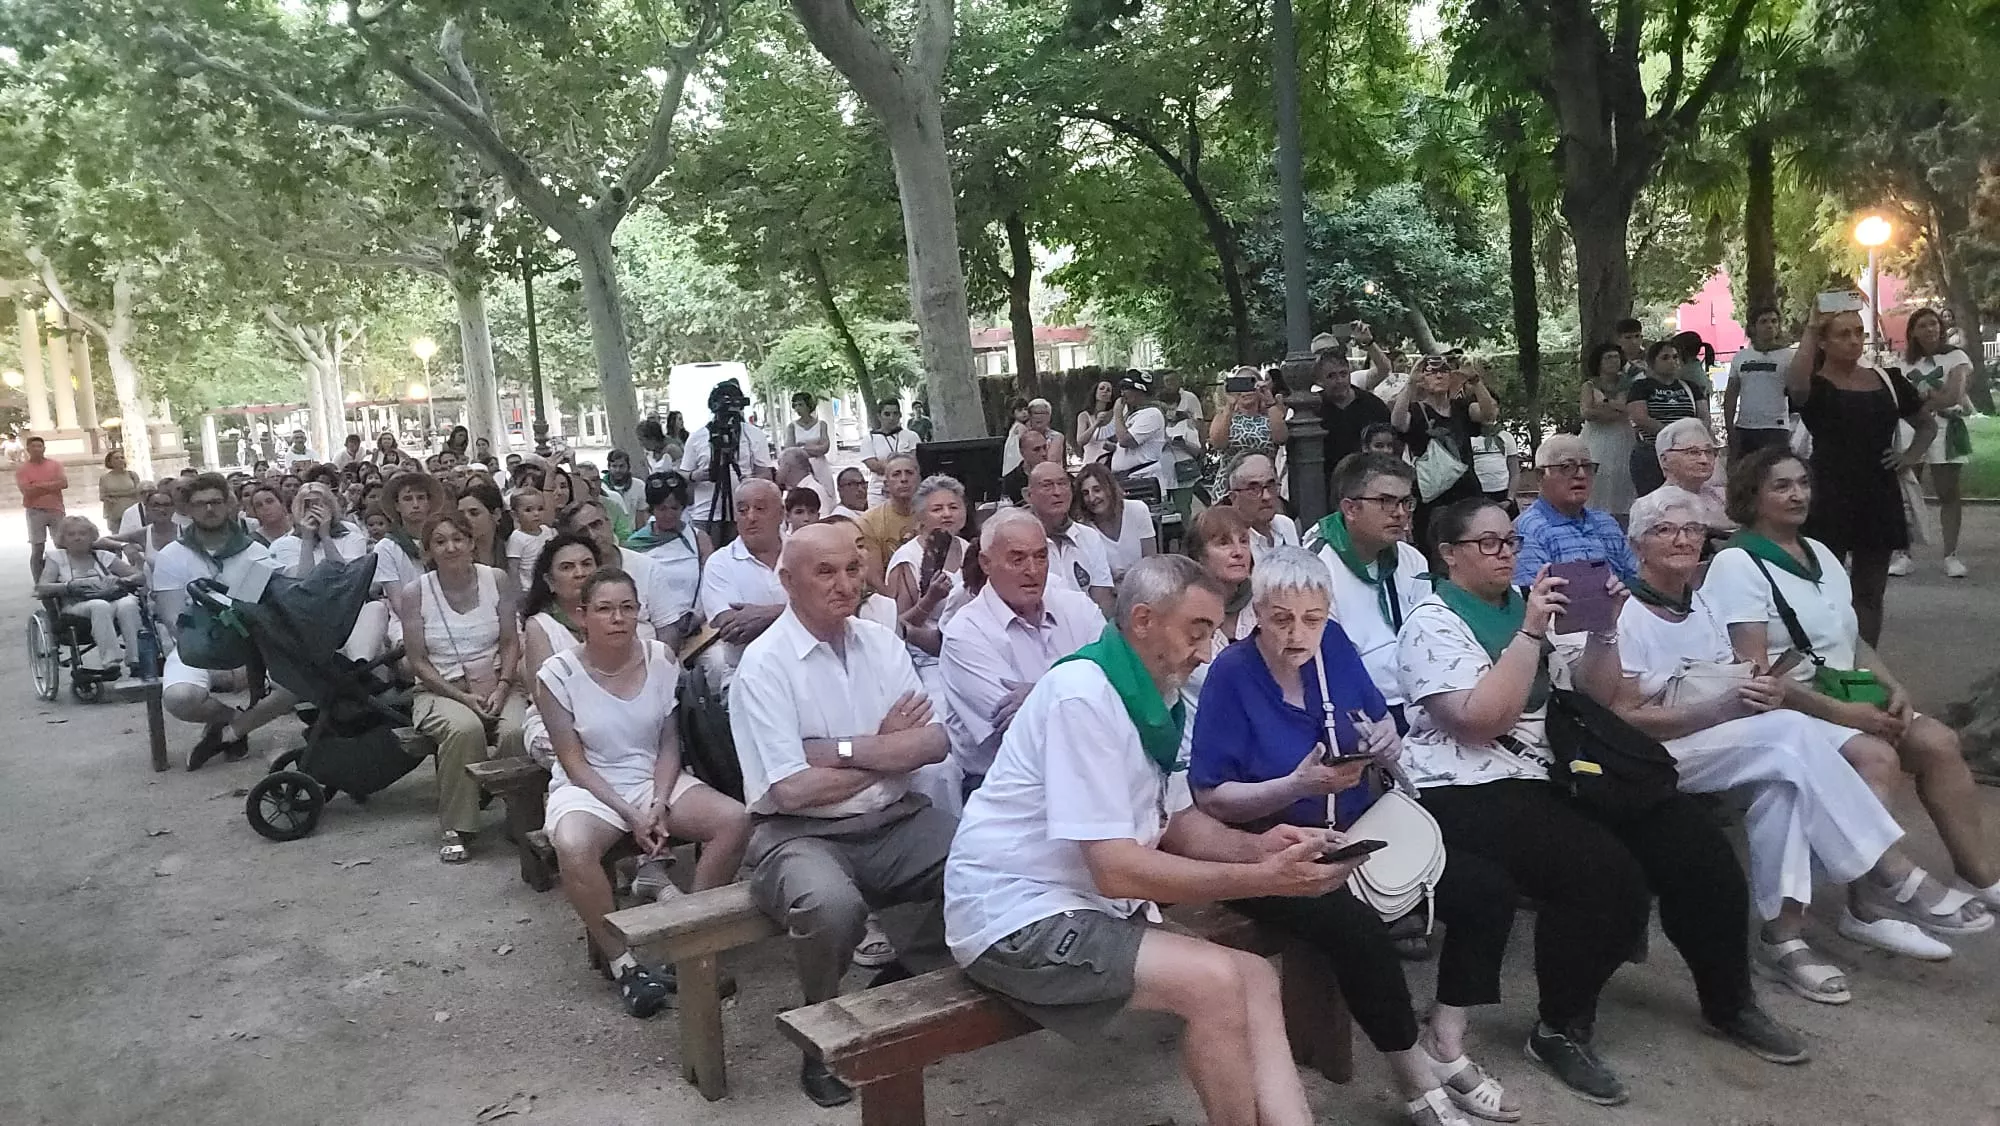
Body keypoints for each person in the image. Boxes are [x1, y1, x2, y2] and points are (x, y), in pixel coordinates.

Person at [1397, 497, 1806, 1106]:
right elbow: (1478, 721)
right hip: (1467, 783)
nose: (1505, 552)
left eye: (1510, 540)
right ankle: (1560, 1026)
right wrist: (1531, 634)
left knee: (1695, 846)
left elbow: (1600, 693)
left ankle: (1730, 1001)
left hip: (1561, 764)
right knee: (1601, 873)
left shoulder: (1530, 603)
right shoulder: (1432, 622)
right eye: (1488, 543)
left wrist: (1606, 627)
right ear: (1449, 554)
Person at [946, 554, 1355, 1126]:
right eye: (1197, 630)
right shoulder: (1083, 695)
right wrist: (1263, 879)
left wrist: (1262, 848)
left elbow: (1176, 821)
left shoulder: (1149, 691)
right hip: (1015, 918)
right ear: (1142, 620)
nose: (1208, 651)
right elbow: (1117, 869)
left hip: (1079, 905)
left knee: (1255, 976)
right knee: (1214, 986)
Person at [1190, 548, 1520, 1126]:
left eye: (1312, 617)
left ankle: (1446, 1037)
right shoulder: (1232, 675)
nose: (1299, 633)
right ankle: (1414, 1077)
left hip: (1359, 826)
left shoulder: (1334, 645)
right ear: (1256, 614)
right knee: (1358, 933)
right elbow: (1211, 797)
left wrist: (1385, 741)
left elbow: (1377, 718)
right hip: (1267, 847)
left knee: (1488, 889)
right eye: (1282, 618)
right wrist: (1293, 784)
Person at [1608, 489, 1957, 994]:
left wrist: (1759, 685)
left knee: (1785, 784)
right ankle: (1890, 867)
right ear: (1638, 545)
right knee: (1791, 734)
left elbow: (1725, 676)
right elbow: (1624, 718)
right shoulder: (1629, 613)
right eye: (1665, 531)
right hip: (1660, 750)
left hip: (1723, 736)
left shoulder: (1700, 602)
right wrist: (1720, 707)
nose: (1682, 539)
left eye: (1692, 529)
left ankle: (1784, 938)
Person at [1706, 447, 2000, 918]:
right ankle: (1863, 907)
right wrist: (1847, 715)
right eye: (1781, 486)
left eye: (1802, 482)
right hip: (1790, 708)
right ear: (1751, 496)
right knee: (1877, 756)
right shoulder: (1737, 563)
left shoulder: (1819, 552)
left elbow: (1851, 638)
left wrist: (1893, 686)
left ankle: (1981, 874)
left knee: (1940, 742)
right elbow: (1755, 673)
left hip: (1849, 693)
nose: (1797, 494)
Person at [729, 522, 957, 1107]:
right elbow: (794, 793)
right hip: (800, 835)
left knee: (985, 864)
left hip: (897, 818)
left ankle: (898, 980)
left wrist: (842, 750)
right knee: (828, 906)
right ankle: (821, 1029)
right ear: (787, 581)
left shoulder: (880, 643)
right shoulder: (764, 665)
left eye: (853, 569)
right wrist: (885, 750)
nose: (844, 584)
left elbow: (933, 744)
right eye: (824, 572)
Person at [539, 567, 751, 1016]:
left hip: (652, 778)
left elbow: (668, 741)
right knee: (572, 844)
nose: (618, 618)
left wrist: (657, 802)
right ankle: (624, 964)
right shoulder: (556, 674)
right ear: (582, 616)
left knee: (734, 820)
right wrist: (631, 814)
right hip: (590, 786)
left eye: (627, 608)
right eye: (605, 609)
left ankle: (688, 936)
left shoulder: (659, 658)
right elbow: (572, 761)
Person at [1785, 307, 1932, 646]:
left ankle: (1866, 666)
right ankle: (1828, 659)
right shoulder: (1817, 385)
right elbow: (1796, 389)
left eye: (1858, 332)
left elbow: (1926, 425)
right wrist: (1810, 330)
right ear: (1824, 341)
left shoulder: (1887, 379)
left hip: (1877, 491)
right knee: (1824, 586)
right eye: (1843, 334)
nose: (1854, 341)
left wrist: (1908, 457)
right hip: (1829, 491)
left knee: (1869, 591)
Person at [940, 509, 1106, 793]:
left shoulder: (1078, 608)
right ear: (986, 563)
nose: (1033, 570)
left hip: (1094, 766)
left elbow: (1126, 683)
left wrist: (1042, 691)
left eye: (1041, 557)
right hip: (1008, 785)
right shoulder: (965, 634)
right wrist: (1091, 692)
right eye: (1017, 559)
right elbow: (1025, 731)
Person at [397, 512, 527, 863]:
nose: (450, 547)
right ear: (428, 551)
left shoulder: (496, 579)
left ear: (471, 542)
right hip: (441, 688)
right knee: (465, 728)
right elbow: (418, 660)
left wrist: (502, 687)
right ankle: (458, 825)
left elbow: (511, 640)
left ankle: (522, 817)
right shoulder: (416, 593)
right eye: (439, 541)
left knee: (517, 729)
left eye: (458, 539)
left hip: (498, 680)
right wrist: (462, 697)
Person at [154, 474, 291, 770]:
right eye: (200, 504)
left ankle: (233, 734)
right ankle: (230, 720)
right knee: (179, 698)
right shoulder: (171, 556)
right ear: (188, 510)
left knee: (298, 683)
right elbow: (173, 620)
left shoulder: (255, 551)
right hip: (196, 643)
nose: (209, 509)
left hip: (251, 646)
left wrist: (243, 662)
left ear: (229, 505)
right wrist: (216, 663)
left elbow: (266, 611)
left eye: (216, 502)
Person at [1306, 454, 1433, 726]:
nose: (1399, 513)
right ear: (1350, 509)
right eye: (1385, 501)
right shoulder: (1316, 568)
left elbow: (1426, 638)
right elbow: (1325, 666)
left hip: (1421, 700)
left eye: (1405, 502)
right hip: (1358, 711)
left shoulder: (1413, 560)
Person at [1897, 306, 1975, 578]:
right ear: (1913, 333)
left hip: (1945, 428)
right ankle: (1904, 553)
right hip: (1912, 429)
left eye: (1934, 324)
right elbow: (1898, 399)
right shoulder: (1904, 363)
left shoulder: (1956, 356)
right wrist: (1925, 404)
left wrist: (1923, 402)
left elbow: (1954, 394)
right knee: (1907, 493)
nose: (1930, 330)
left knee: (1948, 492)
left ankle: (1950, 555)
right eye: (1922, 326)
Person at [271, 482, 385, 663]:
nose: (313, 510)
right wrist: (307, 540)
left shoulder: (352, 538)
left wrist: (326, 537)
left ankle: (358, 667)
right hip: (308, 618)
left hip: (350, 612)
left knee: (376, 608)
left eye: (319, 504)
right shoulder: (283, 545)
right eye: (306, 505)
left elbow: (349, 580)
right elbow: (300, 586)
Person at [1393, 355, 1491, 558]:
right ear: (1422, 379)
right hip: (1433, 502)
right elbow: (1397, 423)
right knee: (1439, 558)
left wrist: (1474, 380)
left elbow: (1488, 414)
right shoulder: (1416, 411)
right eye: (1431, 372)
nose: (1439, 375)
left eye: (1444, 371)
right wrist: (1410, 383)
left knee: (1475, 553)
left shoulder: (1461, 408)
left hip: (1468, 493)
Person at [1511, 434, 1638, 586]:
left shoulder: (1606, 524)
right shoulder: (1529, 530)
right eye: (1567, 467)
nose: (1581, 474)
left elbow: (1638, 580)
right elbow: (1535, 596)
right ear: (1540, 476)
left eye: (1587, 466)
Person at [36, 515, 147, 687]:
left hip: (110, 601)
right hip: (74, 608)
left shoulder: (102, 556)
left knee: (128, 603)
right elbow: (42, 587)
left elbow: (139, 576)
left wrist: (122, 581)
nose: (78, 537)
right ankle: (111, 662)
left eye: (83, 533)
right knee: (99, 606)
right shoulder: (56, 558)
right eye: (71, 534)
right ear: (63, 539)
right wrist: (69, 585)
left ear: (92, 536)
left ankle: (137, 660)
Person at [694, 478, 788, 679]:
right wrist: (801, 613)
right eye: (743, 511)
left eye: (760, 508)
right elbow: (734, 630)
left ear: (781, 513)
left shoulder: (804, 552)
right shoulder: (720, 563)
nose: (751, 517)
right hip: (747, 673)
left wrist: (768, 614)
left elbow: (827, 611)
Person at [558, 499, 687, 645]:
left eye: (596, 525)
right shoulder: (577, 577)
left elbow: (667, 627)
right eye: (583, 532)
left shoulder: (646, 566)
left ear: (609, 523)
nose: (593, 535)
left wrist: (659, 664)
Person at [885, 475, 969, 671]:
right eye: (937, 509)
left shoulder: (969, 549)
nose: (947, 514)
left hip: (969, 648)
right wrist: (930, 599)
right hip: (926, 659)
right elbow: (896, 625)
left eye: (954, 507)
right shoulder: (907, 558)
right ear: (921, 516)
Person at [681, 381, 777, 541]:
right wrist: (695, 475)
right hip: (706, 513)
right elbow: (682, 473)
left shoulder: (754, 435)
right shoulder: (697, 437)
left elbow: (765, 473)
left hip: (745, 512)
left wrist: (750, 483)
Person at [1024, 462, 1113, 614]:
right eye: (1047, 486)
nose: (1057, 492)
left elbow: (1103, 598)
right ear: (1028, 495)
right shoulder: (1020, 541)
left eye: (1063, 484)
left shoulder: (1089, 537)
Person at [1624, 339, 1709, 496]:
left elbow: (1703, 417)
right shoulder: (1641, 387)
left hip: (1687, 453)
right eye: (1665, 358)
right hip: (1651, 453)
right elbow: (1640, 417)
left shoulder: (1691, 387)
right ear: (1652, 362)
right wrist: (1672, 435)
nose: (1672, 361)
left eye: (1675, 357)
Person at [1313, 328, 1394, 475]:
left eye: (1343, 374)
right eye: (1331, 376)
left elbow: (1384, 368)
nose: (1339, 381)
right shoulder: (1313, 408)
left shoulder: (1373, 406)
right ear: (1319, 380)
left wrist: (1368, 342)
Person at [1721, 306, 1795, 459]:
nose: (1770, 326)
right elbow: (1731, 395)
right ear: (1753, 327)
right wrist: (1730, 428)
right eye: (1764, 322)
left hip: (1776, 427)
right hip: (1745, 428)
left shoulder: (1789, 356)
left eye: (1774, 321)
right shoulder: (1740, 357)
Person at [1579, 343, 1638, 518]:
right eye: (1608, 357)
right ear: (1599, 362)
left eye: (1616, 357)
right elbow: (1587, 412)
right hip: (1596, 437)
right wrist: (1614, 409)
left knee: (1623, 475)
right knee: (1598, 476)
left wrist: (1604, 405)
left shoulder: (1628, 384)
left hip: (1622, 436)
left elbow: (1627, 410)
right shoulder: (1589, 385)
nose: (1613, 361)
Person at [371, 471, 444, 604]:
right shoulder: (385, 547)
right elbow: (398, 601)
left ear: (429, 503)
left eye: (421, 498)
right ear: (397, 506)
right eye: (408, 499)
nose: (415, 504)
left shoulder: (443, 540)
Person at [1072, 462, 1155, 579]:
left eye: (1097, 490)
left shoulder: (1138, 510)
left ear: (1109, 488)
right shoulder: (1084, 528)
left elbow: (1151, 561)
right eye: (1085, 493)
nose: (1092, 498)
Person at [1209, 366, 1289, 488]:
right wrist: (1229, 406)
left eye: (1250, 383)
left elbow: (1281, 438)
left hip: (1264, 484)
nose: (1246, 391)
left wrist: (1269, 399)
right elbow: (1218, 444)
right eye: (1240, 385)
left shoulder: (1271, 414)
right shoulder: (1225, 416)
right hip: (1230, 486)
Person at [1645, 418, 1730, 532]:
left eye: (1709, 452)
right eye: (1693, 452)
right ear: (1665, 460)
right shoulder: (1653, 507)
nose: (1704, 460)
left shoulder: (1722, 496)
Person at [855, 453, 921, 588]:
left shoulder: (933, 515)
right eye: (896, 474)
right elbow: (875, 578)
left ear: (919, 479)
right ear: (886, 484)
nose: (903, 479)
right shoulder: (869, 522)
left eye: (909, 473)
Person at [1222, 452, 1299, 560]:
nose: (1266, 497)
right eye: (1253, 489)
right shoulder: (1230, 543)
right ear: (1234, 498)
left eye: (1271, 486)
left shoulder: (1286, 525)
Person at [1108, 371, 1173, 495]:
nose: (1122, 393)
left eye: (1127, 389)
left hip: (1144, 480)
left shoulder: (1152, 414)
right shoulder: (1134, 414)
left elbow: (1125, 441)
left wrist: (1117, 413)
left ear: (1140, 391)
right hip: (1129, 480)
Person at [18, 435, 67, 582]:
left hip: (56, 508)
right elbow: (27, 490)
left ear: (44, 448)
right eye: (33, 446)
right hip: (35, 510)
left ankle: (66, 575)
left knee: (62, 543)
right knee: (38, 547)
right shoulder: (23, 469)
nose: (37, 449)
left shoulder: (55, 465)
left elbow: (63, 483)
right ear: (28, 449)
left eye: (39, 446)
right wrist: (51, 485)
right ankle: (39, 581)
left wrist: (38, 485)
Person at [860, 399, 921, 507]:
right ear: (879, 416)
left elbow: (915, 463)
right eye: (887, 414)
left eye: (895, 414)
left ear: (900, 415)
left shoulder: (911, 436)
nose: (891, 418)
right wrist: (903, 463)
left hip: (907, 489)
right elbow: (874, 466)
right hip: (878, 493)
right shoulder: (869, 439)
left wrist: (885, 463)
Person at [782, 392, 835, 496]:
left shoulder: (821, 424)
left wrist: (802, 447)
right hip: (801, 467)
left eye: (800, 405)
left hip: (820, 466)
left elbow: (825, 447)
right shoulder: (792, 427)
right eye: (795, 405)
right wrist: (814, 447)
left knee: (825, 493)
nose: (797, 408)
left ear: (808, 405)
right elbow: (789, 450)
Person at [505, 488, 553, 594]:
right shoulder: (516, 538)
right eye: (528, 510)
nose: (536, 513)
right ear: (515, 515)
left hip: (549, 584)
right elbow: (513, 568)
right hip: (528, 589)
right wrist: (517, 592)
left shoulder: (547, 531)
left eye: (540, 509)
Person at [458, 483, 511, 573]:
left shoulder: (512, 548)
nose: (466, 519)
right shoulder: (456, 554)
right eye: (460, 514)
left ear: (496, 514)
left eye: (474, 513)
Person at [999, 425, 1050, 506]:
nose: (1043, 453)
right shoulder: (1011, 480)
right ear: (1022, 452)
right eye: (1036, 450)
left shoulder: (1057, 474)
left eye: (1045, 447)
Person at [1076, 378, 1118, 463]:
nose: (1105, 391)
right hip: (1091, 463)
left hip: (1111, 464)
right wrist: (1096, 424)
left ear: (1111, 397)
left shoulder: (1116, 415)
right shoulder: (1084, 416)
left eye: (1108, 390)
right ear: (1095, 393)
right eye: (1102, 388)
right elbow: (1080, 441)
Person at [98, 450, 141, 530]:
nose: (120, 460)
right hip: (114, 514)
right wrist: (108, 499)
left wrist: (114, 494)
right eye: (116, 458)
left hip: (131, 512)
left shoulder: (132, 475)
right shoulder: (105, 478)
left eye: (122, 457)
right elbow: (102, 496)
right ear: (110, 462)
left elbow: (138, 491)